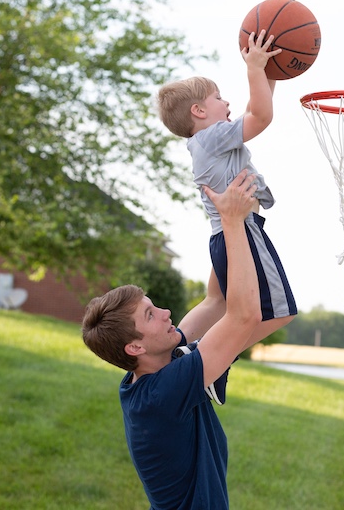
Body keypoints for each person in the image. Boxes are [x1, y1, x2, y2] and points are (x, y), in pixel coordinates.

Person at [81, 170, 270, 510]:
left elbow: (216, 301)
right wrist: (232, 220)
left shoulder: (151, 368)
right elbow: (244, 316)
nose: (166, 312)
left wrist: (227, 222)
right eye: (151, 315)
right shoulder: (162, 394)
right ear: (135, 347)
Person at [156, 29, 297, 403]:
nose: (226, 102)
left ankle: (177, 353)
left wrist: (270, 72)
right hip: (241, 235)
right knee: (280, 313)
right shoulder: (214, 135)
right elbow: (261, 115)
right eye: (218, 97)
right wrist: (255, 68)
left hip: (222, 237)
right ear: (198, 111)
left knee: (216, 302)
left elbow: (256, 107)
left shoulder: (202, 141)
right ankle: (208, 359)